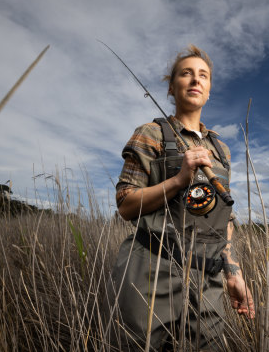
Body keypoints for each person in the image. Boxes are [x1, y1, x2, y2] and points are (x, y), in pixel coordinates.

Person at [109, 45, 254, 351]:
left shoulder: (221, 151)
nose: (195, 80)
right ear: (172, 87)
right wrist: (177, 180)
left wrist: (232, 272)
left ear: (210, 89)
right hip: (151, 269)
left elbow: (224, 217)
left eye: (203, 75)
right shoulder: (150, 133)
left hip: (208, 278)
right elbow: (125, 204)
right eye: (186, 73)